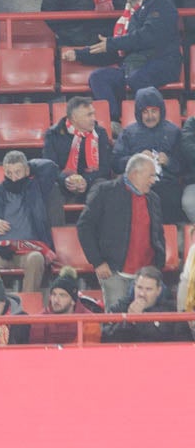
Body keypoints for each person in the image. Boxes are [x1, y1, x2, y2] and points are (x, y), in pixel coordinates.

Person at [64, 0, 181, 106]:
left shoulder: (161, 3)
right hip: (133, 67)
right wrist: (79, 54)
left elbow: (148, 36)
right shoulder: (131, 14)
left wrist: (112, 43)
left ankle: (151, 121)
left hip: (163, 63)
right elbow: (117, 47)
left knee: (137, 78)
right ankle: (114, 122)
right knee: (99, 77)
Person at [78, 152, 164, 310]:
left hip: (146, 277)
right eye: (150, 176)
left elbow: (158, 233)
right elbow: (85, 227)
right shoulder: (105, 191)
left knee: (147, 328)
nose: (154, 180)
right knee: (116, 326)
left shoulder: (154, 199)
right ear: (135, 173)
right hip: (114, 274)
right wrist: (97, 261)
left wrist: (158, 265)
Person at [0, 152, 59, 293]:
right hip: (0, 250)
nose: (13, 178)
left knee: (36, 258)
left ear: (27, 171)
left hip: (30, 250)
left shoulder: (36, 188)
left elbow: (50, 167)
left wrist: (27, 164)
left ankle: (28, 306)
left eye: (18, 172)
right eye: (9, 173)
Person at [116, 87, 183, 215]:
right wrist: (135, 158)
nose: (150, 116)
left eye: (154, 111)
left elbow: (184, 166)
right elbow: (116, 163)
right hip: (136, 184)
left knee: (171, 197)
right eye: (145, 112)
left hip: (166, 184)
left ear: (161, 111)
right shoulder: (128, 133)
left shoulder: (174, 132)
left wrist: (168, 161)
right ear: (138, 113)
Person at [44, 96, 114, 207]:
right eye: (89, 115)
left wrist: (86, 180)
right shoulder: (53, 134)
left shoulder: (100, 133)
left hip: (91, 182)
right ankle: (56, 225)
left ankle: (91, 223)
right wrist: (65, 180)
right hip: (63, 184)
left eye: (93, 114)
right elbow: (49, 167)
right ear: (74, 118)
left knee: (102, 186)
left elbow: (105, 167)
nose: (93, 118)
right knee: (51, 189)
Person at [102, 267, 187, 343]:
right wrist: (129, 321)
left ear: (158, 290)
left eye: (148, 289)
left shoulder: (171, 311)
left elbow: (183, 342)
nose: (142, 294)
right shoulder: (119, 308)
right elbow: (106, 338)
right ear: (134, 286)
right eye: (139, 287)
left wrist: (140, 320)